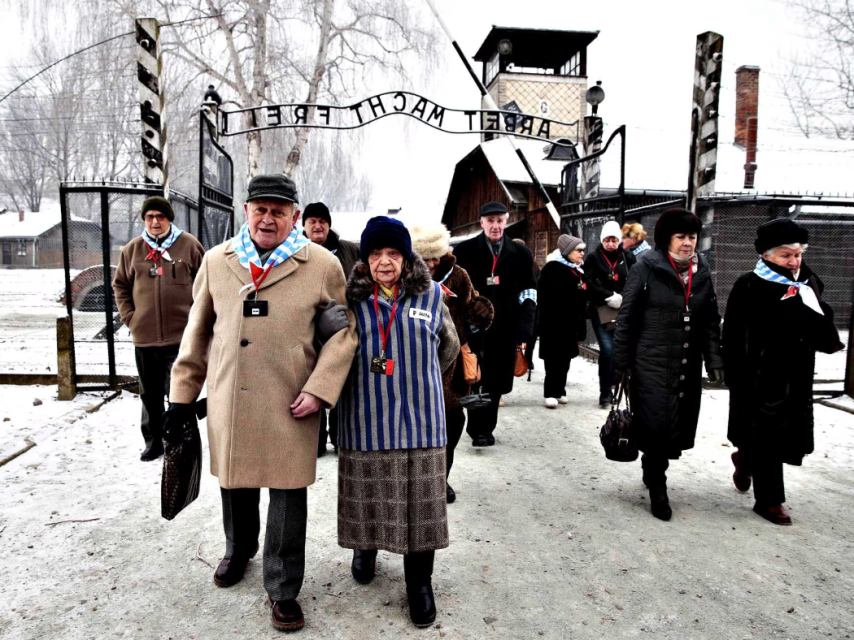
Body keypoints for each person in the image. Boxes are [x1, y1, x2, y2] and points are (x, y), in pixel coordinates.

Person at [166, 175, 358, 632]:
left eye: (278, 211)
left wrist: (320, 388)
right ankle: (239, 549)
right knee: (235, 483)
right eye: (260, 209)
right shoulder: (217, 261)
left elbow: (346, 332)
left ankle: (284, 586)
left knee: (288, 494)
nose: (268, 219)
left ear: (294, 216)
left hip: (292, 399)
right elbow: (197, 333)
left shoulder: (322, 264)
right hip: (230, 397)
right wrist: (180, 398)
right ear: (246, 211)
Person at [337, 216, 459, 628]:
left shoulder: (432, 295)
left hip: (421, 419)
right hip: (366, 417)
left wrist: (415, 375)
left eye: (393, 253)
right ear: (365, 258)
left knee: (421, 507)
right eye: (376, 254)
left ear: (407, 257)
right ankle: (365, 546)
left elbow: (449, 347)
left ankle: (419, 583)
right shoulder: (350, 300)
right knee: (370, 494)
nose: (385, 262)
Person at [723, 219, 844, 526]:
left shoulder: (808, 282)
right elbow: (734, 334)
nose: (794, 261)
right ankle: (769, 501)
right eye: (786, 255)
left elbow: (819, 328)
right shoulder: (748, 285)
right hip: (758, 375)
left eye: (798, 254)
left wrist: (817, 314)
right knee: (766, 434)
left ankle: (744, 459)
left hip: (795, 374)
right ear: (766, 255)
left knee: (778, 434)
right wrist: (734, 374)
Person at [613, 208, 724, 521]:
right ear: (666, 239)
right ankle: (658, 485)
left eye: (692, 237)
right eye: (681, 237)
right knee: (656, 422)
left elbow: (709, 320)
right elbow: (626, 317)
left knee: (675, 423)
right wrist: (621, 364)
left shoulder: (702, 271)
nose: (688, 243)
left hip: (686, 362)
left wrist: (714, 358)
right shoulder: (645, 268)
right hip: (650, 361)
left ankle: (652, 466)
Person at [112, 196, 204, 461]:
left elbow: (206, 284)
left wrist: (198, 320)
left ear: (169, 219)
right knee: (150, 394)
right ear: (144, 219)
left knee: (181, 394)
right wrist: (130, 317)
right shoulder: (133, 249)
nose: (155, 222)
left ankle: (182, 440)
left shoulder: (189, 245)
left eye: (160, 216)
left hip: (182, 338)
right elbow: (120, 285)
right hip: (145, 338)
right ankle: (153, 441)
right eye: (150, 217)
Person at [411, 222, 494, 504]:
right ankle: (418, 478)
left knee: (453, 421)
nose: (431, 263)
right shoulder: (404, 277)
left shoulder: (458, 276)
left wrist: (482, 310)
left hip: (452, 365)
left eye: (435, 256)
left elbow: (473, 303)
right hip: (416, 363)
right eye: (425, 257)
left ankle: (441, 478)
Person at [452, 202, 537, 446]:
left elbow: (529, 291)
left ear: (506, 221)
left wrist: (525, 326)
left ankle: (485, 428)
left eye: (500, 220)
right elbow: (455, 289)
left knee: (496, 380)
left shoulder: (521, 254)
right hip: (474, 328)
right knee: (474, 376)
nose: (495, 226)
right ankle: (476, 428)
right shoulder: (465, 251)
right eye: (490, 221)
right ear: (482, 222)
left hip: (505, 328)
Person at [302, 201, 360, 457]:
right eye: (312, 221)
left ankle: (340, 436)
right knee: (309, 381)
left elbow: (364, 276)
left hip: (343, 326)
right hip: (308, 328)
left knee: (341, 381)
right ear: (303, 225)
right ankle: (314, 440)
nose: (318, 226)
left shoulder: (349, 250)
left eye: (322, 221)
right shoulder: (295, 250)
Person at [584, 220, 637, 407]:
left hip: (623, 308)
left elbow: (634, 280)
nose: (611, 244)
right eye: (607, 240)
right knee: (607, 349)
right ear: (602, 240)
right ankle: (605, 392)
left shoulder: (628, 257)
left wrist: (622, 296)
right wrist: (608, 296)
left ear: (619, 240)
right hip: (601, 308)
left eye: (614, 240)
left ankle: (615, 382)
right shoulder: (593, 258)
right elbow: (589, 282)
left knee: (619, 348)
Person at [536, 235, 589, 408]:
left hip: (571, 323)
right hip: (554, 323)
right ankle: (550, 392)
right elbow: (543, 296)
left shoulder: (578, 270)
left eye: (583, 250)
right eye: (578, 250)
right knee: (553, 359)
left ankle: (560, 390)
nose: (582, 253)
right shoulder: (552, 268)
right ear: (568, 252)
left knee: (565, 359)